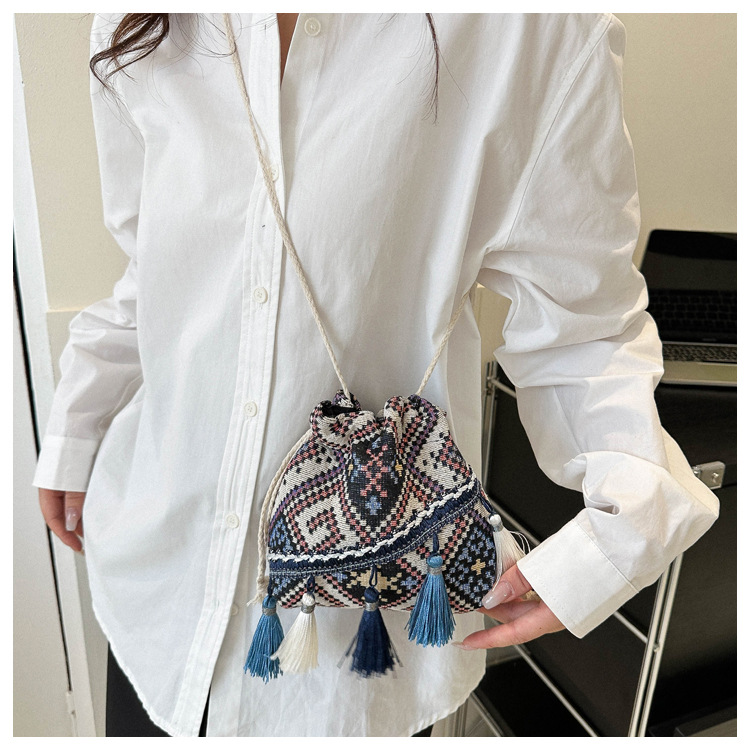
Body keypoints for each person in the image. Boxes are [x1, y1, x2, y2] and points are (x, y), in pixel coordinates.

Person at [34, 12, 719, 737]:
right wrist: (79, 425)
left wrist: (625, 531)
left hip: (360, 657)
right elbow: (152, 272)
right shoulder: (139, 23)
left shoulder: (529, 30)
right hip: (158, 593)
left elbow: (585, 328)